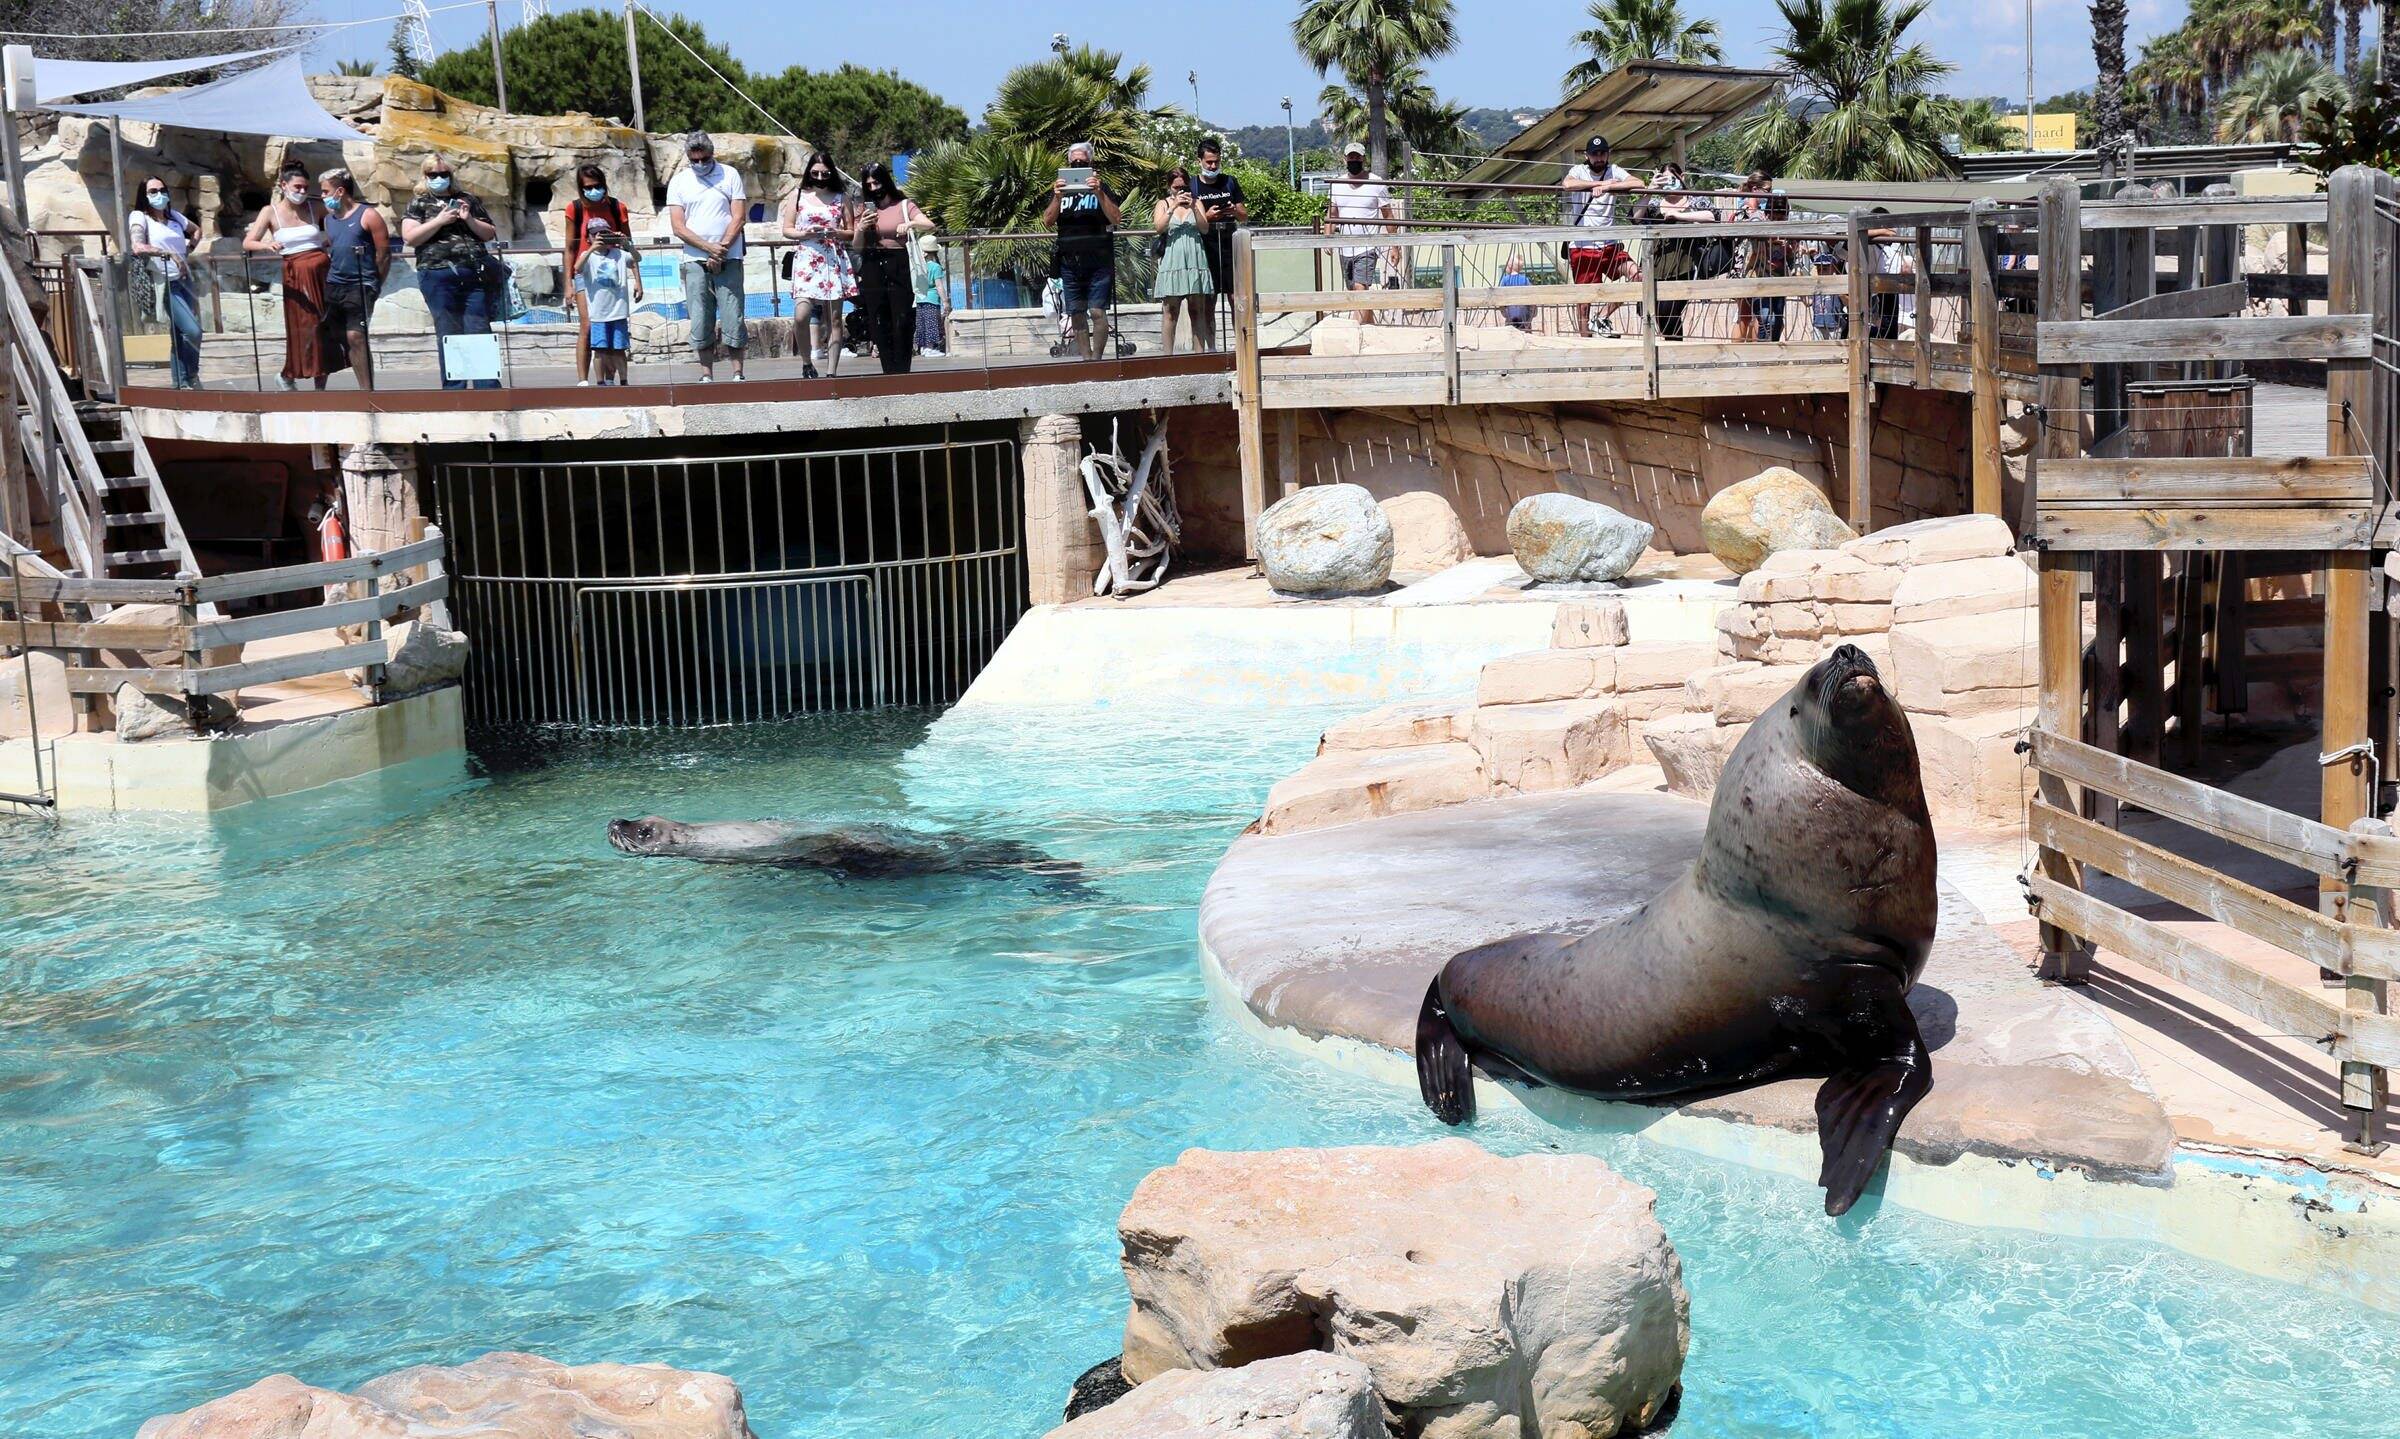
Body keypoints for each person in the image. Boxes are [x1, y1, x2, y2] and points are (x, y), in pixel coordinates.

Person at [400, 153, 501, 390]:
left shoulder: (467, 199)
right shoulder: (418, 202)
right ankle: (455, 389)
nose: (439, 178)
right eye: (433, 174)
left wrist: (468, 219)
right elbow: (410, 237)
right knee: (449, 330)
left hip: (473, 272)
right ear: (425, 176)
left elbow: (488, 233)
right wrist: (439, 221)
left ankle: (487, 387)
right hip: (437, 274)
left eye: (443, 174)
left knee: (478, 329)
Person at [242, 162, 338, 390]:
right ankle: (288, 373)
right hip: (297, 275)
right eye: (297, 187)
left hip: (321, 271)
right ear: (284, 185)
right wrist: (268, 245)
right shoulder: (270, 211)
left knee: (325, 326)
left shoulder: (315, 207)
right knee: (306, 327)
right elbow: (248, 242)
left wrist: (329, 240)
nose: (302, 192)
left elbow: (339, 221)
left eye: (305, 187)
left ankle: (320, 388)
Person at [666, 131, 748, 382]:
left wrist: (720, 249)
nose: (700, 164)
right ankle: (706, 374)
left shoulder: (730, 174)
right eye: (695, 159)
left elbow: (739, 216)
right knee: (700, 316)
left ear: (713, 154)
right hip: (695, 259)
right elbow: (678, 226)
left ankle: (737, 372)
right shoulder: (679, 182)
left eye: (705, 158)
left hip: (729, 256)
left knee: (733, 313)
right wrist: (708, 249)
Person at [849, 161, 933, 376]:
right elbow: (857, 247)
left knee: (902, 317)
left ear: (885, 181)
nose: (873, 188)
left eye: (876, 182)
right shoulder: (865, 209)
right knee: (879, 318)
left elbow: (929, 224)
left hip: (898, 261)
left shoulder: (903, 205)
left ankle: (902, 368)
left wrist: (910, 225)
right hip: (872, 263)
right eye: (868, 184)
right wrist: (861, 227)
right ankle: (889, 371)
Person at [1041, 140, 1122, 361]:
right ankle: (1086, 361)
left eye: (1082, 162)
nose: (1077, 165)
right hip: (1069, 259)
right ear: (1068, 163)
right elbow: (1047, 221)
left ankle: (1097, 360)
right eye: (1074, 161)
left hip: (1099, 259)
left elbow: (1116, 218)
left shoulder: (1101, 187)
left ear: (1090, 163)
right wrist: (1057, 197)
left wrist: (1099, 193)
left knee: (1097, 311)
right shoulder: (1061, 190)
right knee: (1076, 312)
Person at [779, 153, 854, 378]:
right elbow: (787, 228)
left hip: (833, 257)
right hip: (807, 258)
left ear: (831, 173)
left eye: (824, 173)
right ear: (809, 172)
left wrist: (837, 232)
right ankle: (806, 361)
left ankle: (831, 371)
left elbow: (851, 231)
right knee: (801, 315)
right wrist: (805, 233)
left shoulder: (842, 197)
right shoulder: (798, 195)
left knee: (834, 318)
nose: (820, 177)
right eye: (815, 173)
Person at [317, 168, 389, 391]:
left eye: (325, 191)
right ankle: (319, 390)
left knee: (355, 336)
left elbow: (384, 253)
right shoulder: (329, 219)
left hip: (360, 284)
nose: (322, 196)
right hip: (334, 283)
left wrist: (375, 284)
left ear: (340, 191)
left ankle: (367, 392)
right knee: (326, 335)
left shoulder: (368, 215)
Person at [126, 175, 202, 389]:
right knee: (193, 331)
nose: (159, 195)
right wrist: (167, 253)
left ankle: (181, 383)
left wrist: (187, 251)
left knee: (179, 333)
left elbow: (196, 230)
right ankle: (192, 375)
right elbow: (138, 246)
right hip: (165, 283)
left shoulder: (174, 217)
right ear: (144, 195)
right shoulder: (140, 217)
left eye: (162, 190)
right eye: (153, 191)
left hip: (185, 280)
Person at [1560, 135, 1639, 338]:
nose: (1599, 158)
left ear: (1608, 154)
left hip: (1610, 244)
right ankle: (1584, 336)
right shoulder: (1579, 170)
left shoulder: (1614, 170)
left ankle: (1602, 316)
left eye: (1602, 153)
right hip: (1583, 245)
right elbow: (1567, 184)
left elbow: (1638, 182)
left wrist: (1608, 186)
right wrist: (1592, 186)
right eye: (1594, 154)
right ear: (1587, 155)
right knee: (1585, 297)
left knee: (1637, 275)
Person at [563, 163, 631, 386]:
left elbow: (628, 244)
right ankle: (583, 379)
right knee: (589, 324)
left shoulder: (616, 207)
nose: (593, 191)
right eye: (588, 188)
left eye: (597, 186)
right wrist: (568, 285)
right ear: (581, 189)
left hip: (611, 269)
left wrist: (636, 276)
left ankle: (609, 379)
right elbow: (570, 248)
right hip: (585, 270)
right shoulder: (575, 209)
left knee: (611, 322)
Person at [1321, 141, 1395, 321]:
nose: (1354, 159)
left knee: (1361, 287)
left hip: (1368, 246)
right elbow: (1332, 213)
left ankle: (1356, 329)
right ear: (1345, 158)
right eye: (1351, 156)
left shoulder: (1376, 183)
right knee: (1354, 289)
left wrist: (1394, 245)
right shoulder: (1337, 184)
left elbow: (1388, 215)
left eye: (1357, 156)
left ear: (1363, 158)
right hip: (1346, 246)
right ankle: (1369, 324)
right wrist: (1327, 236)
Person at [1150, 166, 1215, 354]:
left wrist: (1193, 207)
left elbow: (1204, 228)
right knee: (1170, 310)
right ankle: (1168, 357)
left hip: (1195, 258)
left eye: (1184, 187)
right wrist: (1173, 206)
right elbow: (1159, 227)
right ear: (1170, 187)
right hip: (1173, 259)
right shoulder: (1163, 203)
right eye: (1176, 187)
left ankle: (1199, 355)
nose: (1180, 191)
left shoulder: (1197, 203)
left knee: (1197, 310)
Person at [1191, 135, 1246, 343]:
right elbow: (1190, 220)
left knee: (1235, 298)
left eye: (1216, 161)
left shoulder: (1229, 182)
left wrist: (1232, 210)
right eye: (1209, 162)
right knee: (1209, 300)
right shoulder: (1193, 185)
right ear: (1200, 161)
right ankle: (1211, 347)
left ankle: (1240, 345)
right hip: (1206, 247)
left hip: (1230, 246)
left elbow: (1244, 215)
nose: (1213, 166)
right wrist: (1208, 217)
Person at [575, 226, 642, 385]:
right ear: (589, 238)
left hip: (618, 310)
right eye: (596, 235)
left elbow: (637, 259)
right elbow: (577, 268)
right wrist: (592, 248)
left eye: (606, 234)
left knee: (619, 349)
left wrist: (627, 244)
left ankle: (624, 381)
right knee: (599, 349)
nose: (602, 238)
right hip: (598, 312)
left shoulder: (619, 254)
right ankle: (600, 382)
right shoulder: (588, 255)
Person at [912, 232, 948, 359]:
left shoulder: (917, 267)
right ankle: (930, 348)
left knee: (922, 324)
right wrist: (945, 301)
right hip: (932, 299)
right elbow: (939, 286)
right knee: (932, 323)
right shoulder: (936, 267)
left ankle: (923, 347)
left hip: (919, 299)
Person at [1497, 255, 1535, 332]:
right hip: (1524, 313)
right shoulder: (1525, 279)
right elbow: (1531, 295)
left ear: (1509, 266)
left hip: (1510, 313)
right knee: (1525, 333)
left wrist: (1503, 311)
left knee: (1510, 333)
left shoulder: (1505, 280)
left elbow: (1500, 296)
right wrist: (1531, 313)